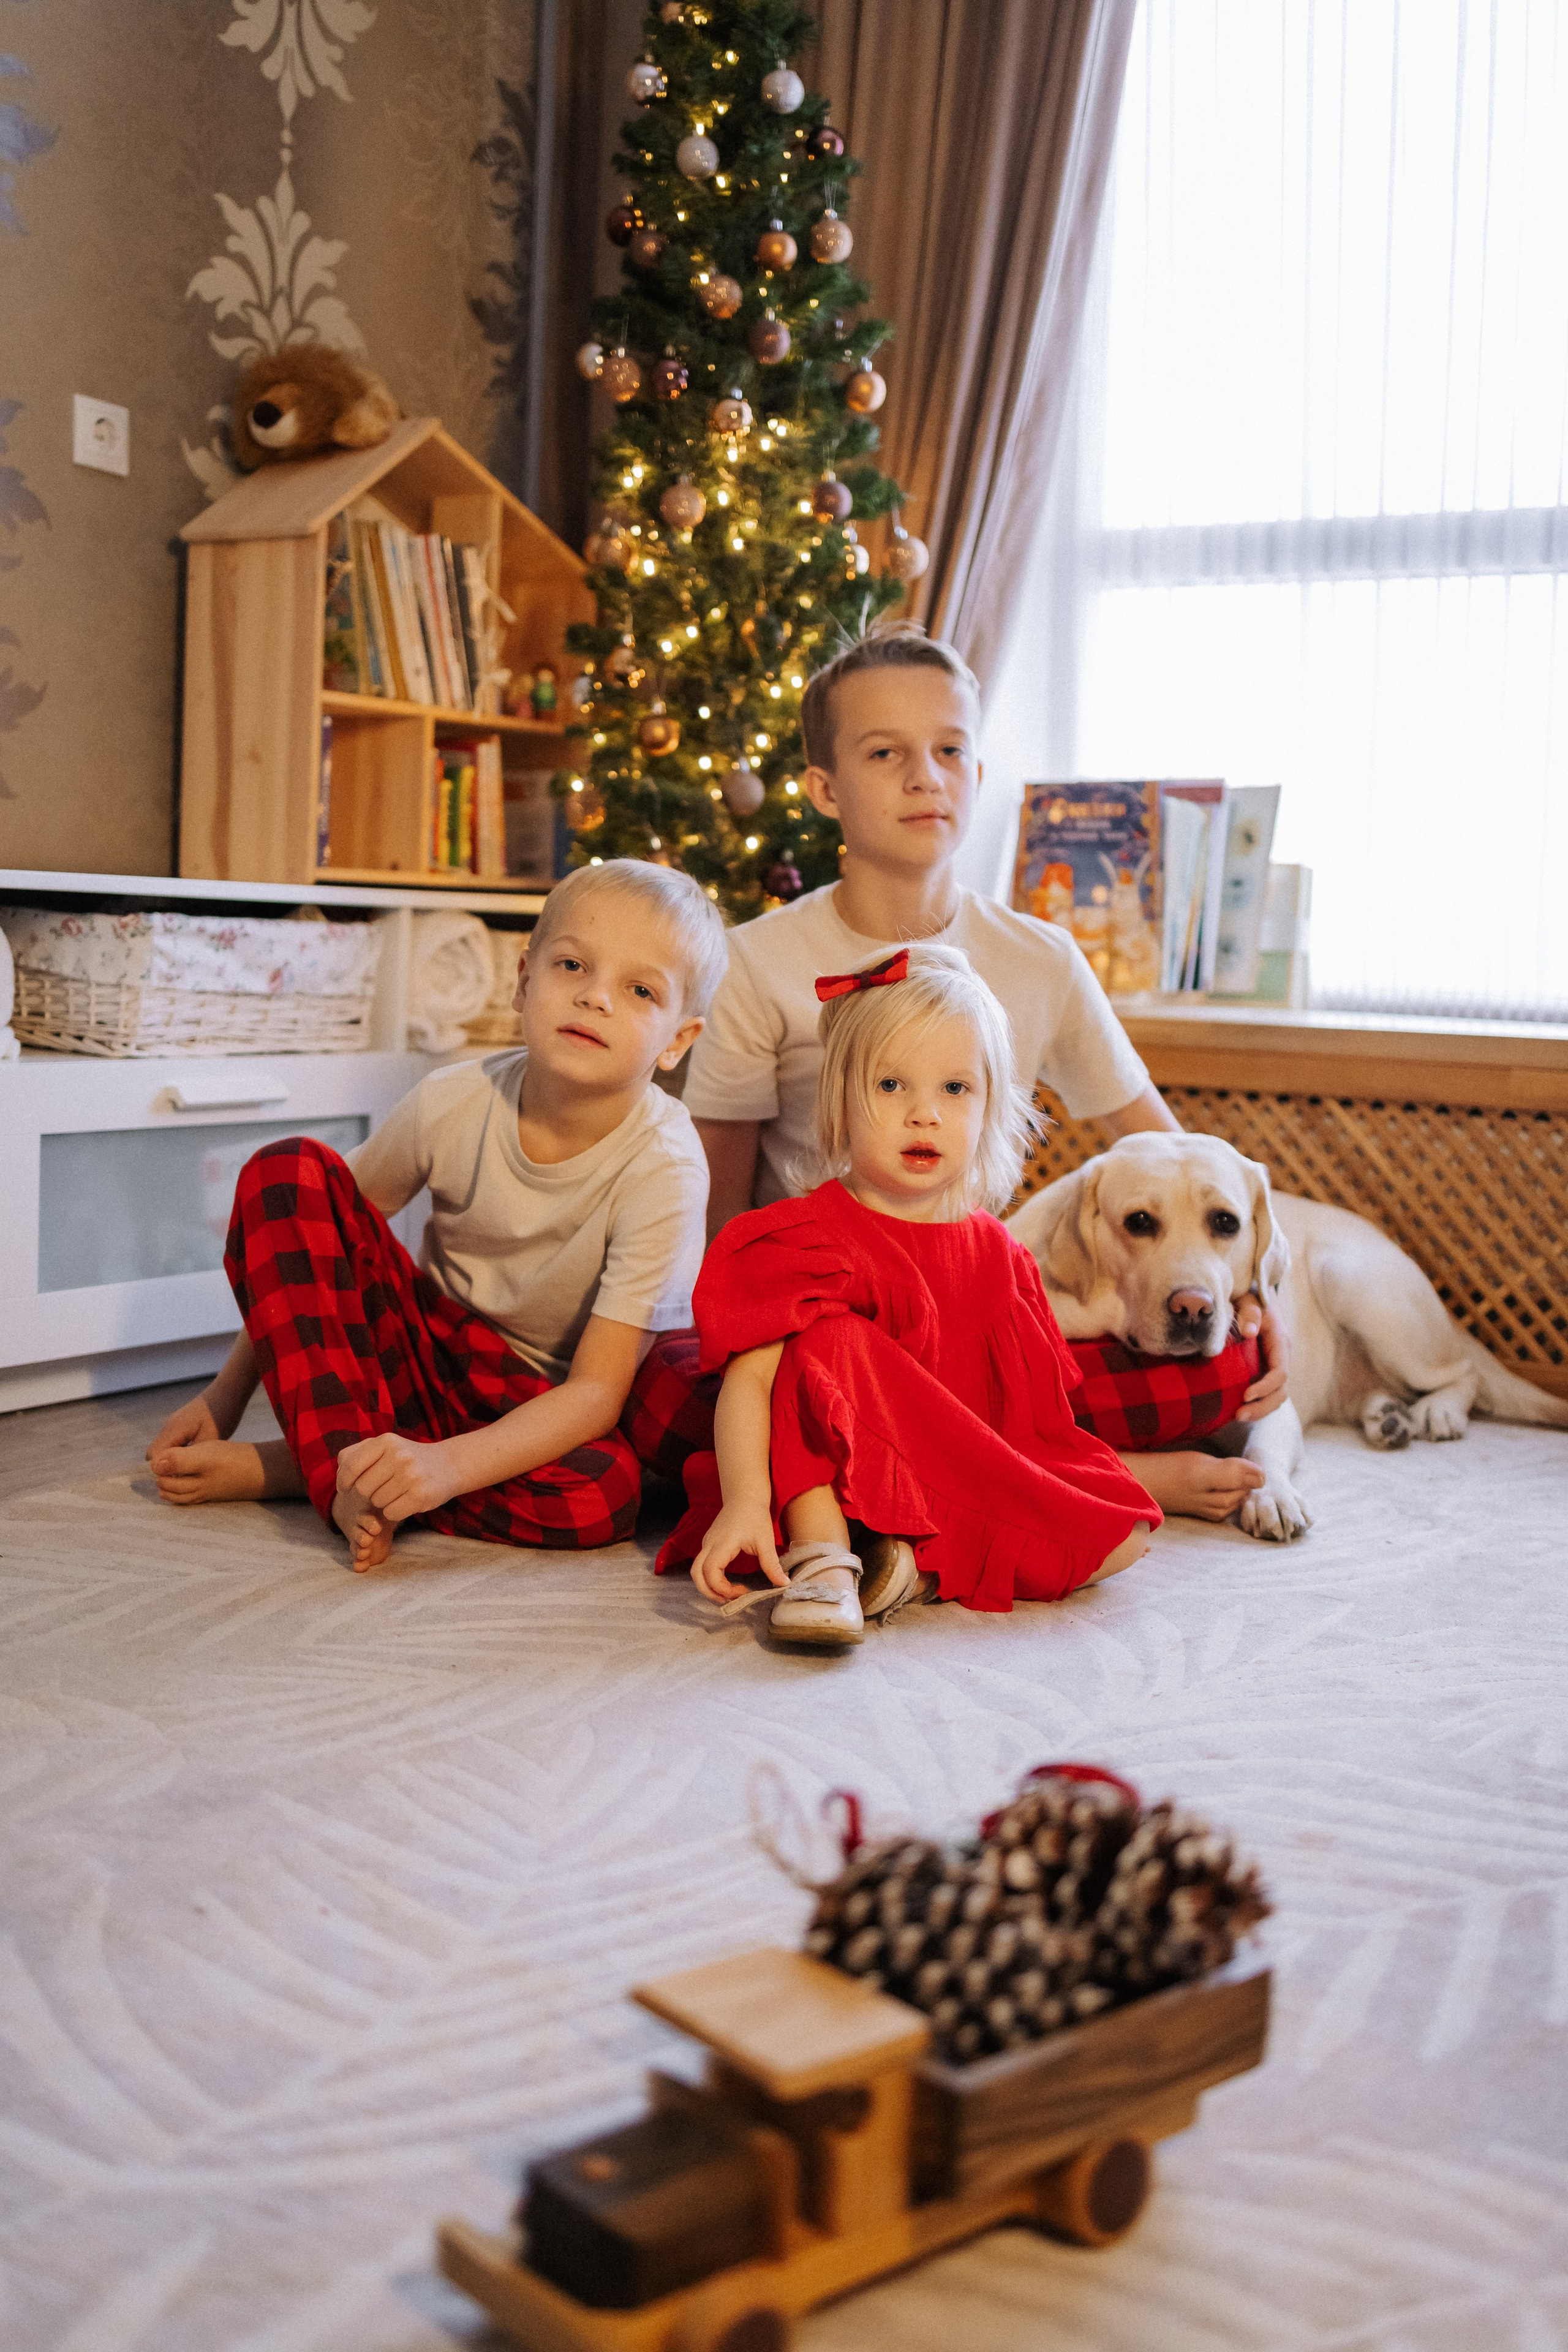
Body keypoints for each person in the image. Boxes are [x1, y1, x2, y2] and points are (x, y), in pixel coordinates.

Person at [677, 623, 1287, 1520]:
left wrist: (1249, 1296)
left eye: (951, 750)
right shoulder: (759, 962)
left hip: (978, 1305)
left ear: (977, 774)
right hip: (834, 1313)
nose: (926, 776)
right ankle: (1096, 1478)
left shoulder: (1040, 957)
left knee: (1218, 1370)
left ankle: (984, 1466)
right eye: (886, 752)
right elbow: (719, 1211)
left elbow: (1169, 1151)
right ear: (824, 789)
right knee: (791, 1389)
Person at [146, 861, 726, 1571]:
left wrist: (448, 1469)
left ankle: (310, 1468)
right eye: (572, 964)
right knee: (286, 1170)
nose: (595, 997)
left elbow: (597, 1392)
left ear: (677, 1040)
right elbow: (310, 1245)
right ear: (523, 982)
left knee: (602, 1495)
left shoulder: (664, 1165)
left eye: (640, 990)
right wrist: (226, 1392)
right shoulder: (452, 1100)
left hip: (542, 1396)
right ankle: (348, 1474)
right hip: (424, 1349)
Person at [664, 942, 1159, 1649]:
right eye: (891, 1087)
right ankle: (826, 1562)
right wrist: (745, 1501)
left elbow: (1022, 1427)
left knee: (1125, 1534)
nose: (924, 1114)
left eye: (954, 1090)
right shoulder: (802, 1239)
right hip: (829, 1492)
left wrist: (1036, 1489)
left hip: (953, 1475)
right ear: (839, 1100)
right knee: (829, 1343)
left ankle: (908, 1571)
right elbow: (755, 1387)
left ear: (989, 1106)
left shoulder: (1001, 1256)